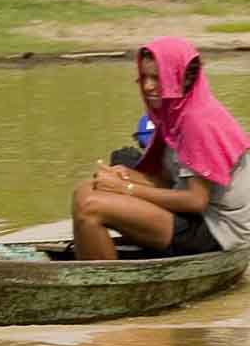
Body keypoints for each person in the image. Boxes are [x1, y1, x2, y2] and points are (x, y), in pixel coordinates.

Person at [70, 37, 250, 260]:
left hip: (217, 230)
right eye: (144, 77)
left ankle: (106, 286)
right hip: (194, 215)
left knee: (91, 208)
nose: (147, 86)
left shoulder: (197, 120)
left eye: (157, 78)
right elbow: (168, 178)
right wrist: (123, 176)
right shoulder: (173, 113)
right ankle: (90, 266)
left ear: (181, 79)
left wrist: (126, 188)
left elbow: (196, 201)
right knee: (84, 191)